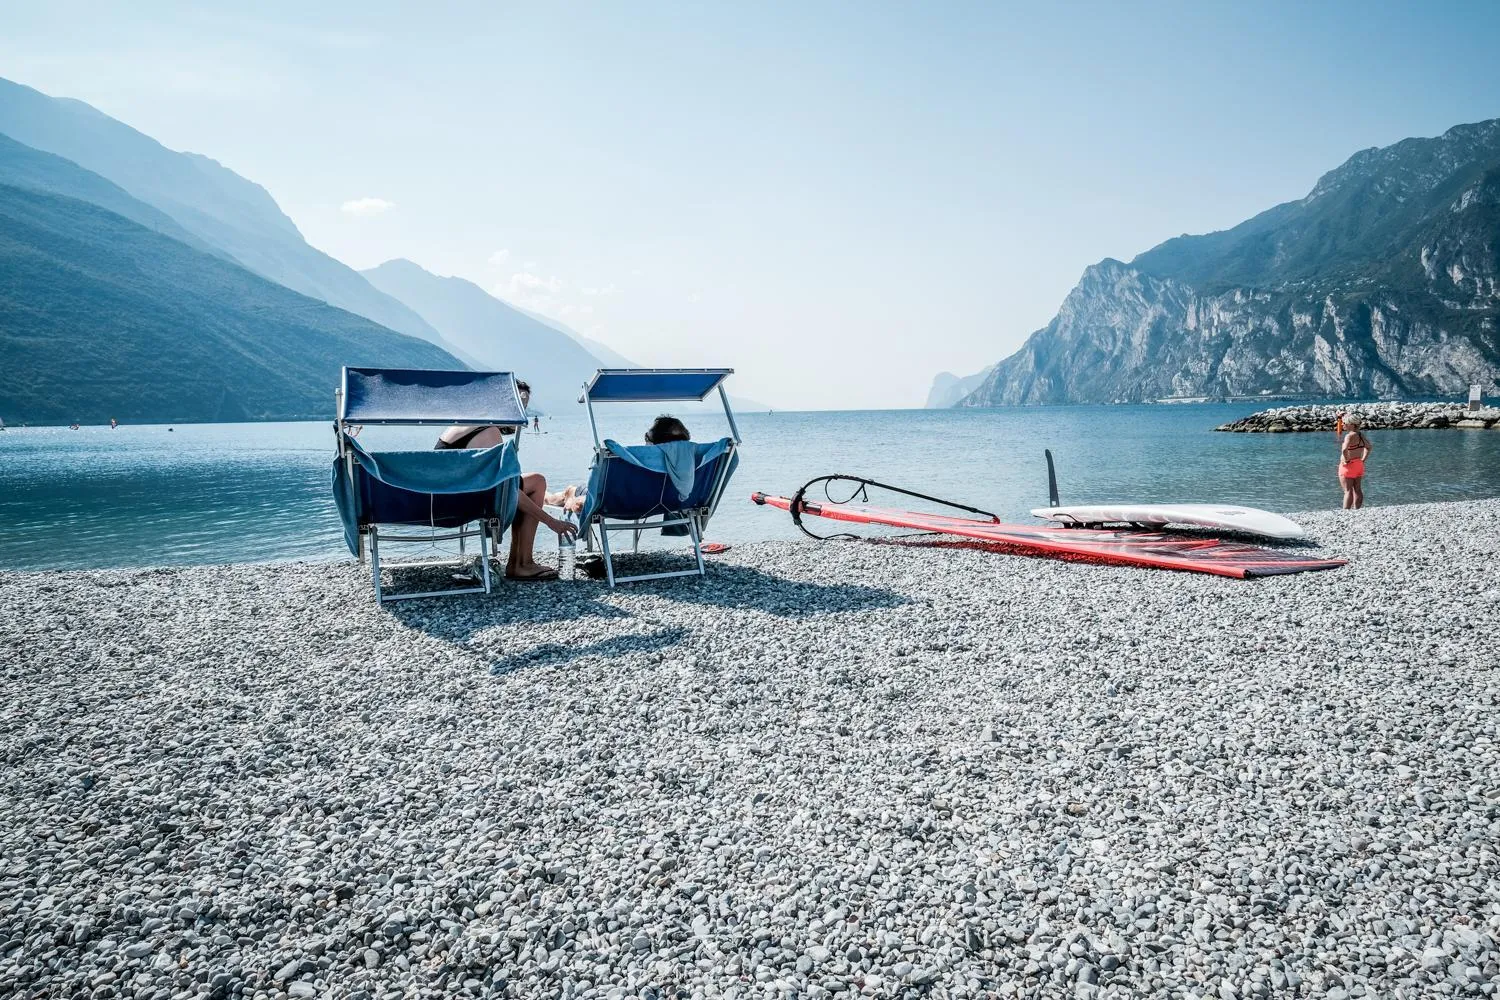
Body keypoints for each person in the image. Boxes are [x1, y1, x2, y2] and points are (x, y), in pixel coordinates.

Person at [434, 380, 576, 580]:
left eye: (524, 407)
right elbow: (507, 490)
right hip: (458, 502)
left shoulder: (472, 423)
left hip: (449, 495)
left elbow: (503, 483)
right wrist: (552, 522)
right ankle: (521, 564)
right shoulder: (487, 431)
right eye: (518, 403)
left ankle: (522, 562)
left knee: (537, 481)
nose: (521, 412)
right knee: (529, 487)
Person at [1338, 416, 1372, 510]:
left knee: (1347, 490)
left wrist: (1346, 459)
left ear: (1352, 425)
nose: (1343, 424)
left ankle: (1346, 511)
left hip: (1348, 466)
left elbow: (1344, 449)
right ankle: (1357, 510)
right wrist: (1363, 459)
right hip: (1358, 464)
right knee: (1357, 489)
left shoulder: (1349, 436)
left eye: (1345, 423)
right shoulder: (1360, 435)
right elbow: (1369, 447)